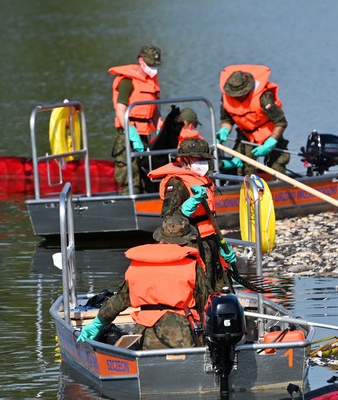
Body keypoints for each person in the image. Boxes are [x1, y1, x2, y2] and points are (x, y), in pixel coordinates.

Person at [77, 215, 213, 349]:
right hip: (182, 336)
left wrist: (98, 322)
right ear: (187, 240)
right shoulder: (192, 266)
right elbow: (205, 304)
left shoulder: (138, 264)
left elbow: (119, 301)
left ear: (160, 237)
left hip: (145, 335)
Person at [147, 138, 237, 292]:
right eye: (199, 159)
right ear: (185, 159)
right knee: (199, 289)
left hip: (210, 241)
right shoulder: (176, 183)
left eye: (205, 159)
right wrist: (187, 207)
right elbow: (168, 221)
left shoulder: (202, 179)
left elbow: (209, 219)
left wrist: (222, 244)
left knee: (221, 286)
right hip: (191, 243)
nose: (203, 163)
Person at [216, 64, 290, 176]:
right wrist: (224, 130)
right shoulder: (226, 98)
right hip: (246, 135)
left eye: (239, 94)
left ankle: (279, 189)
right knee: (243, 167)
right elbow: (227, 119)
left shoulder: (264, 98)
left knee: (276, 166)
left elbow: (281, 122)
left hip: (269, 134)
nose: (236, 97)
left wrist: (270, 142)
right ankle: (245, 190)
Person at [109, 44, 164, 194]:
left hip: (145, 135)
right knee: (130, 176)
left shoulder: (151, 82)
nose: (153, 68)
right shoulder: (127, 82)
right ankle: (128, 205)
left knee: (147, 175)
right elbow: (120, 109)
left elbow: (154, 110)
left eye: (155, 65)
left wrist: (161, 128)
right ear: (141, 61)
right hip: (127, 136)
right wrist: (131, 133)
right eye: (150, 65)